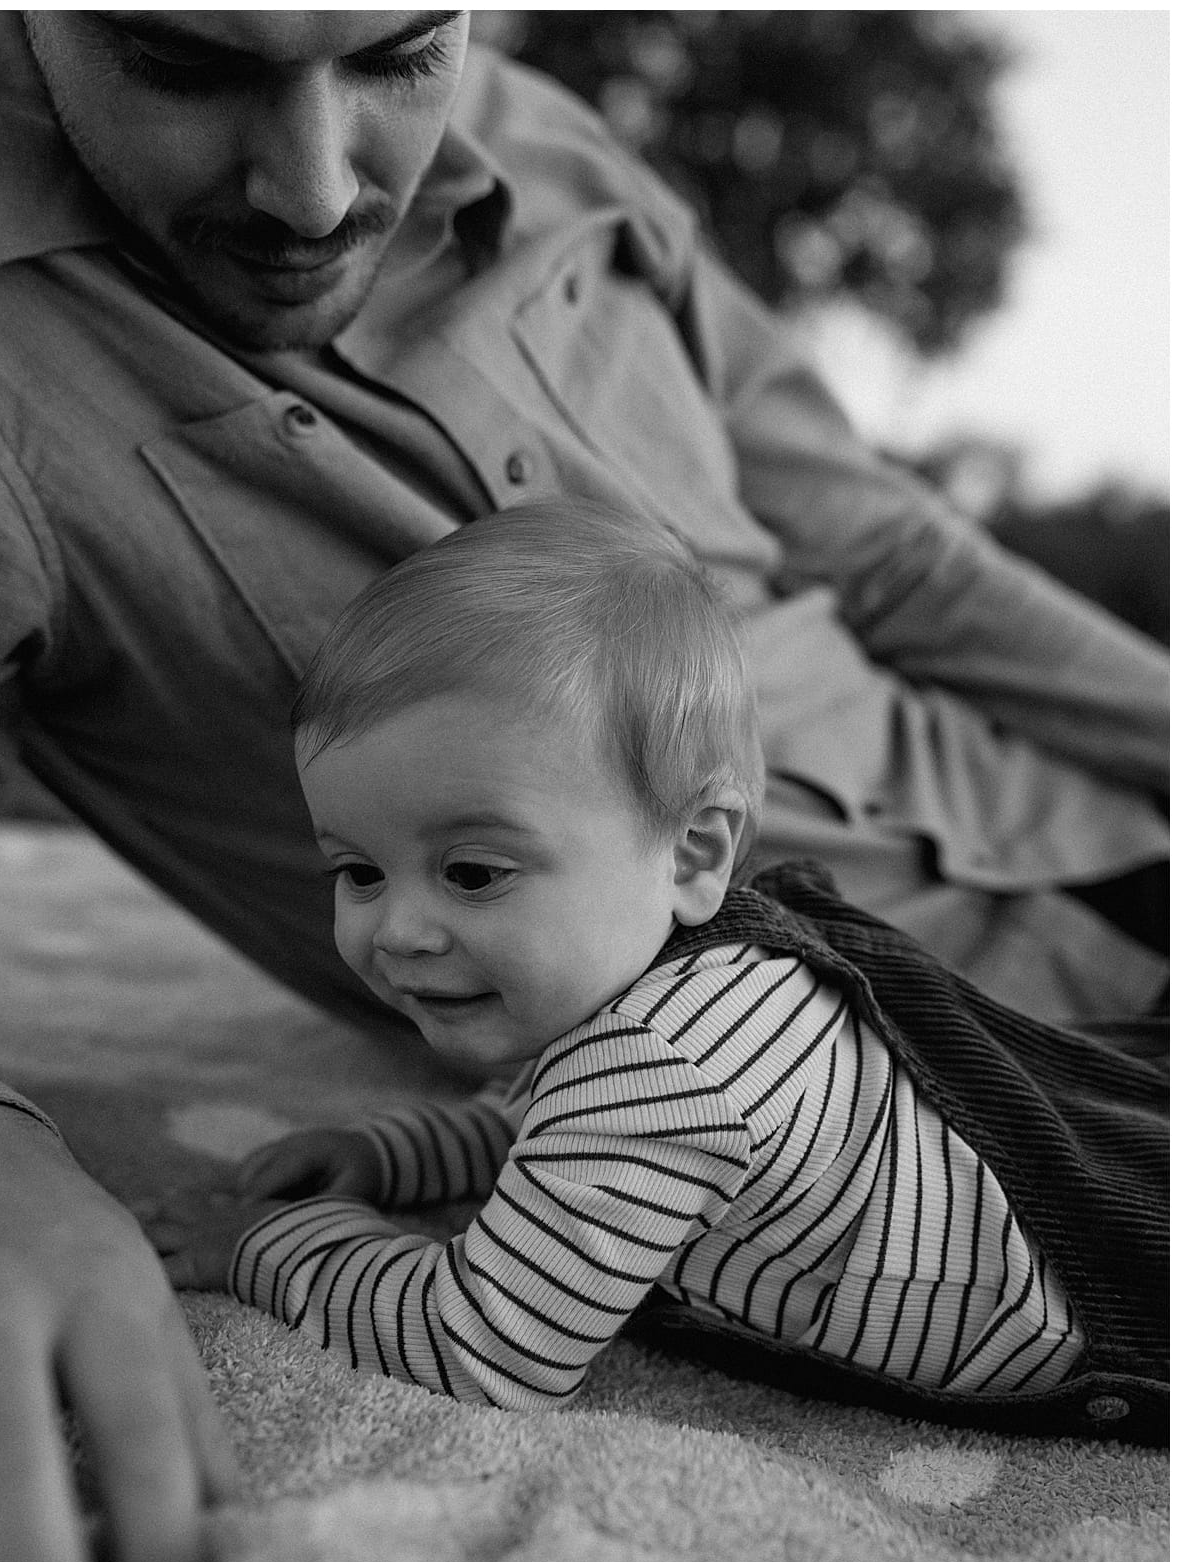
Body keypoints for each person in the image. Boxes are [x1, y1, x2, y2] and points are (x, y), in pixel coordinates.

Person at [0, 9, 1166, 1562]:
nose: (316, 190)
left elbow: (898, 562)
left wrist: (271, 1244)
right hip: (965, 1051)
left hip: (1089, 859)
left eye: (400, 52)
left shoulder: (559, 150)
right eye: (188, 65)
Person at [146, 499, 1165, 1438]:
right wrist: (399, 1156)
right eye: (358, 869)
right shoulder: (670, 1007)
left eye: (471, 870)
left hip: (1116, 1303)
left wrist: (269, 1244)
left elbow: (485, 1344)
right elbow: (550, 1123)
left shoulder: (658, 1064)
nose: (398, 929)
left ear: (692, 853)